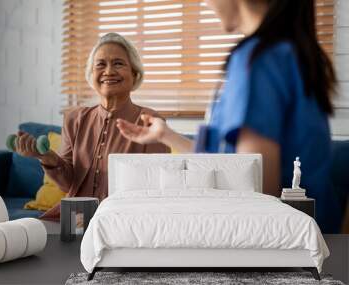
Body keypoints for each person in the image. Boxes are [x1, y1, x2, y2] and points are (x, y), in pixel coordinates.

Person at [116, 0, 342, 233]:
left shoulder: (258, 60)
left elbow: (258, 187)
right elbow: (227, 162)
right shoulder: (288, 53)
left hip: (284, 244)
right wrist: (165, 135)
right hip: (317, 237)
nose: (205, 3)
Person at [14, 33, 170, 220]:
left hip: (124, 220)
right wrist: (45, 157)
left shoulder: (151, 121)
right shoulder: (74, 118)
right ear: (91, 75)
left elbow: (157, 190)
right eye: (100, 64)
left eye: (118, 63)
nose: (109, 71)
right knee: (20, 240)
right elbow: (68, 184)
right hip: (74, 219)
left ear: (135, 73)